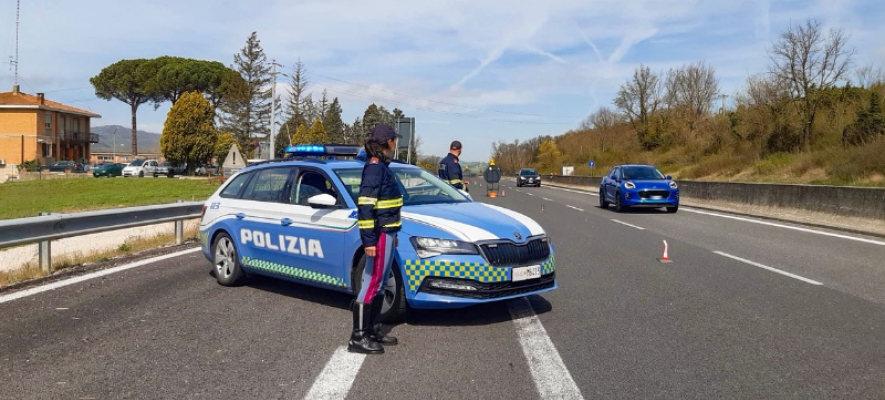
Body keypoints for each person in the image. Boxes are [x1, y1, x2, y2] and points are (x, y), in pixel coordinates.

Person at [349, 123, 403, 355]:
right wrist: (369, 241)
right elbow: (366, 207)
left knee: (379, 284)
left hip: (387, 233)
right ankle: (358, 337)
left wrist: (393, 233)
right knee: (372, 283)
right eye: (394, 140)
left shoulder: (381, 166)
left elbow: (386, 206)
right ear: (388, 142)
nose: (396, 143)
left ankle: (373, 329)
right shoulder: (374, 168)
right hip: (379, 235)